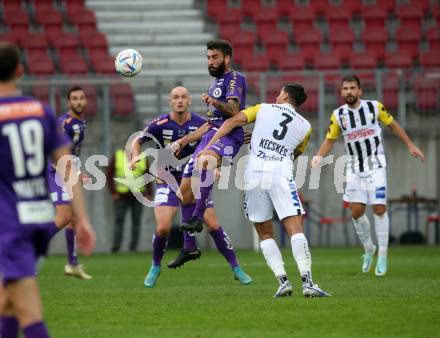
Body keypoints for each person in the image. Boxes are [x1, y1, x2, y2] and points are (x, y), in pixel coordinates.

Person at [0, 42, 95, 338]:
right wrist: (82, 218)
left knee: (28, 310)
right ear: (20, 71)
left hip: (9, 223)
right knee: (8, 304)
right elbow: (68, 165)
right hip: (38, 219)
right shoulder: (41, 111)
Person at [203, 83, 330, 297]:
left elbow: (232, 121)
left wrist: (209, 146)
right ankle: (308, 282)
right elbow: (293, 153)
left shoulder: (262, 108)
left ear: (287, 96)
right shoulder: (306, 126)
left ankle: (283, 282)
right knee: (295, 227)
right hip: (280, 173)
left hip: (254, 173)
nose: (277, 95)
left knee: (264, 232)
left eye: (280, 92)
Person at [130, 86, 252, 287]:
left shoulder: (201, 123)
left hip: (193, 180)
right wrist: (134, 156)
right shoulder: (159, 123)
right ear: (170, 102)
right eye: (175, 97)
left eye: (183, 97)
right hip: (167, 181)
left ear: (189, 101)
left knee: (213, 225)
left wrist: (216, 165)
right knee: (162, 228)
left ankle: (236, 268)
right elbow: (137, 141)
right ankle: (155, 266)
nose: (179, 100)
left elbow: (216, 141)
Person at [311, 75, 425, 277]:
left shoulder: (375, 107)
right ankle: (368, 248)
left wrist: (410, 145)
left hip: (376, 164)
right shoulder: (338, 115)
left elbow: (393, 126)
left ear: (360, 91)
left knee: (379, 208)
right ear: (341, 92)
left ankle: (383, 253)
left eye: (352, 88)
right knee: (355, 211)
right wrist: (318, 157)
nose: (349, 92)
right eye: (345, 88)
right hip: (354, 168)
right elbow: (330, 139)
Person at [170, 39, 246, 238]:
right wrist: (182, 141)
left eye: (215, 57)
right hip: (211, 135)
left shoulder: (234, 78)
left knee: (206, 160)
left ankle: (197, 216)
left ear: (227, 58)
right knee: (184, 192)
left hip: (228, 135)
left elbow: (233, 110)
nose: (210, 62)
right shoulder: (213, 84)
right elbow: (210, 124)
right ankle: (189, 247)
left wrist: (214, 101)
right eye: (209, 58)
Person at [45, 86, 93, 279]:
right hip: (54, 170)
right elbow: (55, 154)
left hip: (67, 170)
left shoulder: (81, 123)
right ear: (68, 102)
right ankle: (30, 251)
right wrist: (76, 174)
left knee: (72, 218)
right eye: (74, 98)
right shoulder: (64, 124)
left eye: (81, 98)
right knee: (64, 216)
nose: (79, 101)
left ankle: (72, 264)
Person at [106, 148, 152, 253]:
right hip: (121, 195)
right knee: (119, 221)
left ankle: (133, 248)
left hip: (138, 194)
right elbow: (109, 174)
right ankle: (116, 247)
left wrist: (149, 193)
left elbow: (148, 175)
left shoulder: (142, 157)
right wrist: (113, 192)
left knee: (136, 221)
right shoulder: (118, 155)